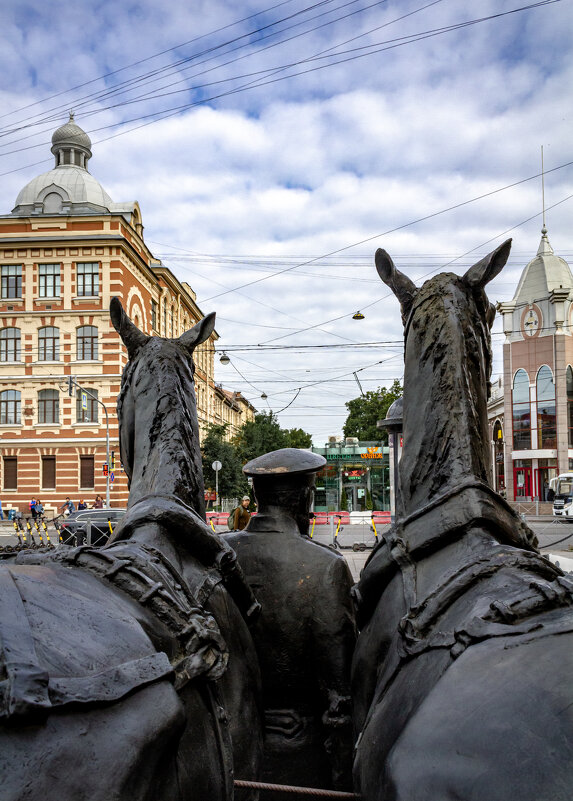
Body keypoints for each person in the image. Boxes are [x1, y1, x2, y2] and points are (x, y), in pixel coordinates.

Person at [225, 448, 356, 796]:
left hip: (226, 741)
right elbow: (339, 689)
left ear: (256, 495)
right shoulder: (325, 565)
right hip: (299, 750)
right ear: (304, 495)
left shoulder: (219, 554)